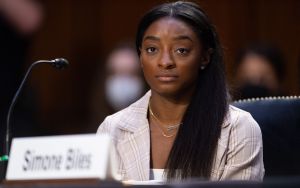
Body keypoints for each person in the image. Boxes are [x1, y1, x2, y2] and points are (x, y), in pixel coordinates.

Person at [97, 1, 264, 182]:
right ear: (141, 56)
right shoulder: (112, 128)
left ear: (205, 57)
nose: (165, 61)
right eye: (152, 49)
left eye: (181, 50)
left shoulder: (237, 128)